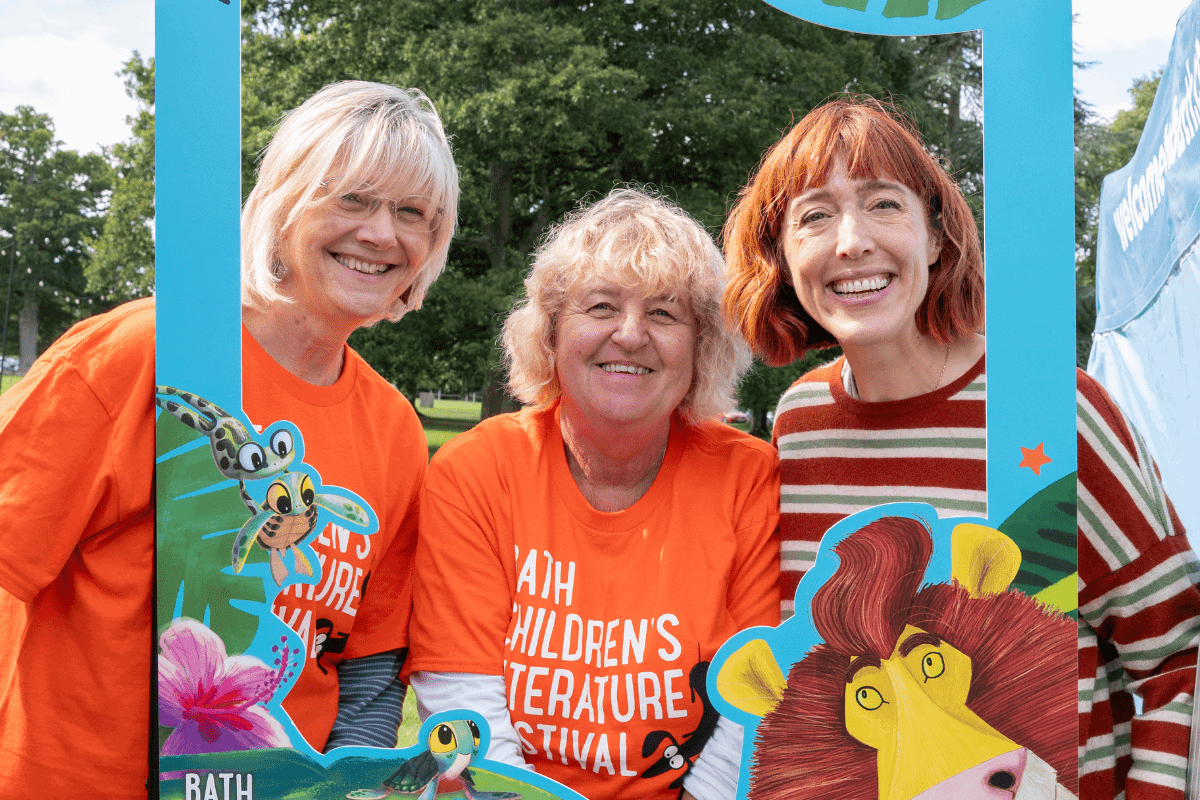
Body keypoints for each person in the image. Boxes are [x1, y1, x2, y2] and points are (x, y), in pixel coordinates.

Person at [722, 95, 1200, 800]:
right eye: (815, 216)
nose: (851, 240)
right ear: (783, 261)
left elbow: (1175, 659)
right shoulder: (798, 425)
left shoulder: (1050, 411)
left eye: (883, 204)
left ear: (937, 237)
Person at [0, 80, 458, 797]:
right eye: (352, 199)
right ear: (284, 204)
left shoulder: (395, 429)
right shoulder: (144, 352)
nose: (381, 233)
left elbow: (366, 660)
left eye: (412, 213)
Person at [406, 188, 780, 800]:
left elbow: (753, 702)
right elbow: (463, 702)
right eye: (601, 307)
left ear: (702, 346)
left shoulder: (747, 478)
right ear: (551, 333)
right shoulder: (477, 472)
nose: (630, 335)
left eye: (665, 314)